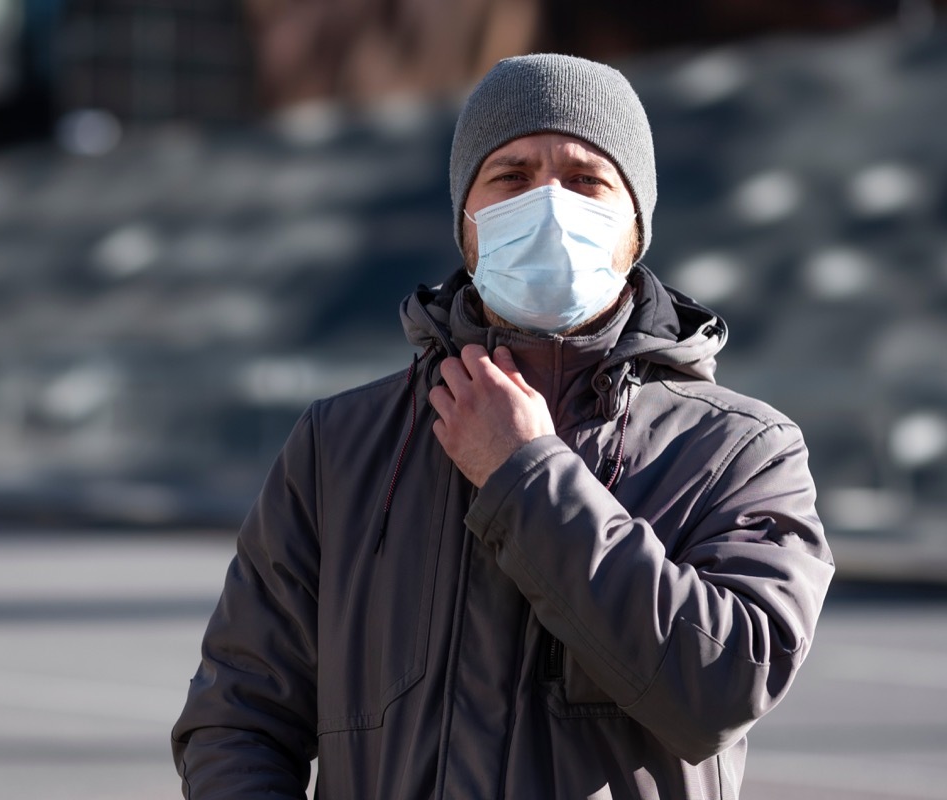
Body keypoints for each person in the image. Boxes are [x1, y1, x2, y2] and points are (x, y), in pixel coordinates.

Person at [172, 53, 834, 799]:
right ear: (467, 219)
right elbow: (239, 717)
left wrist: (526, 475)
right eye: (512, 177)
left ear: (636, 226)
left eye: (585, 179)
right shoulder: (339, 444)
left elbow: (723, 686)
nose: (548, 204)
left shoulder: (739, 449)